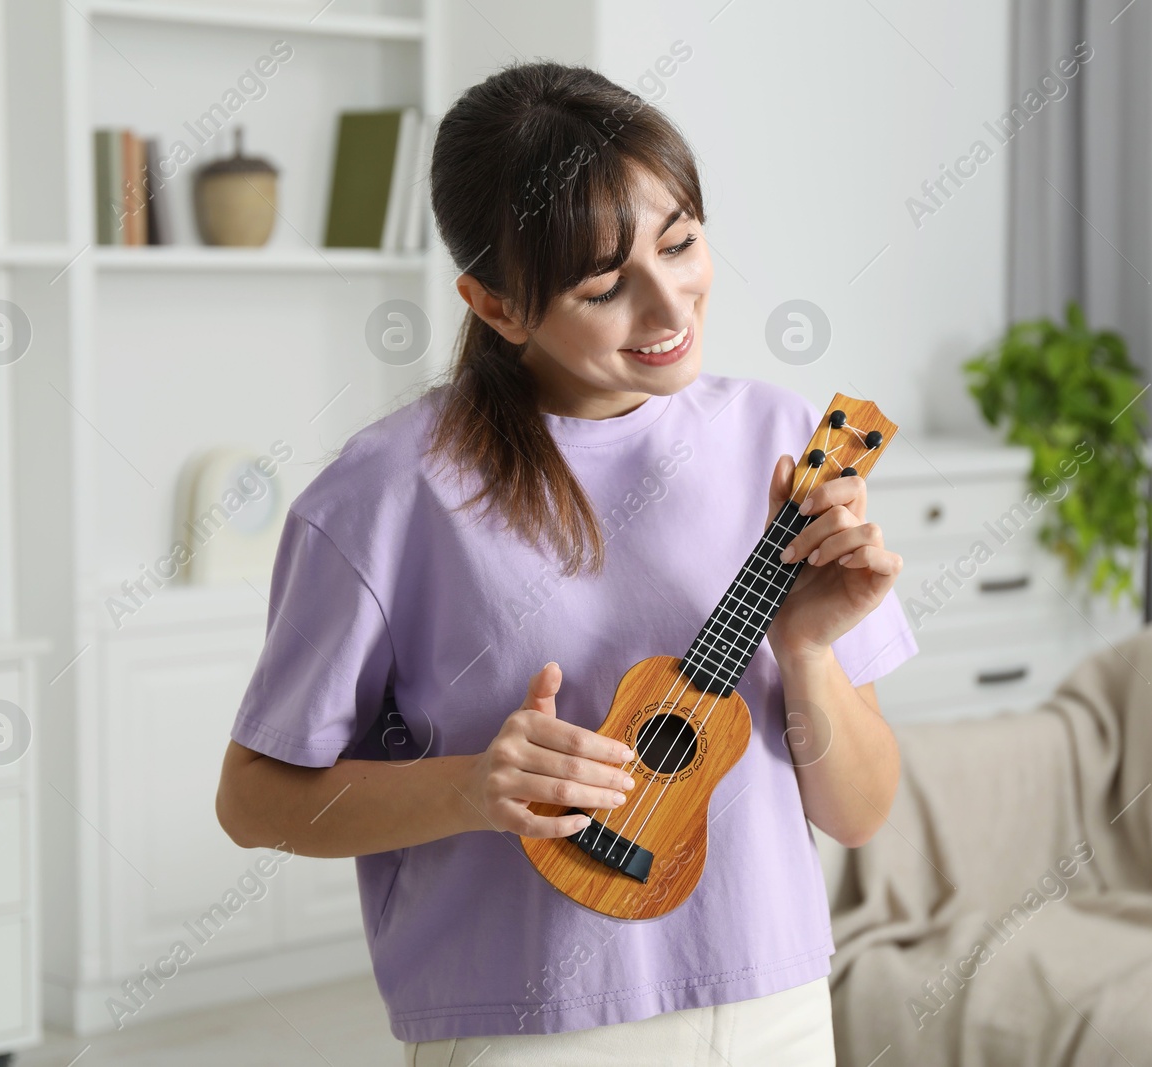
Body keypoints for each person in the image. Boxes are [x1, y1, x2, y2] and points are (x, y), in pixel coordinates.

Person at [215, 61, 917, 1066]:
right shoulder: (387, 490)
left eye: (680, 242)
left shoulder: (785, 438)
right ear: (497, 305)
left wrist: (805, 650)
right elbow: (252, 799)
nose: (668, 301)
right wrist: (469, 789)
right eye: (603, 285)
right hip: (520, 1028)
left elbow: (860, 810)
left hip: (767, 1005)